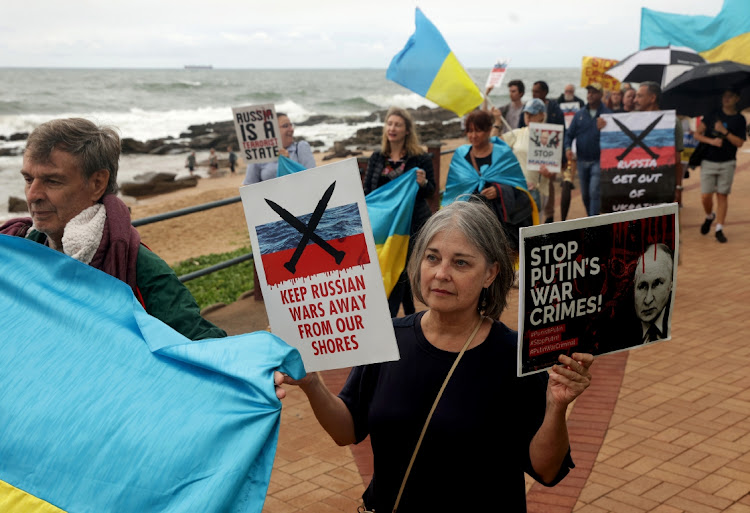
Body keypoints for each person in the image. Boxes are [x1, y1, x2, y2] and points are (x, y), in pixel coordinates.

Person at [279, 200, 593, 512]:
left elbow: (546, 470)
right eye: (433, 257)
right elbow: (346, 430)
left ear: (491, 273)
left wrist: (556, 407)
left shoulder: (513, 355)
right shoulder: (388, 337)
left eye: (461, 263)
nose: (441, 273)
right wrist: (312, 384)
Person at [1, 118, 227, 342]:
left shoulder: (140, 269)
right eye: (29, 179)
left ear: (97, 183)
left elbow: (204, 346)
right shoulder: (19, 247)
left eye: (52, 181)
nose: (32, 195)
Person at [363, 106, 435, 317]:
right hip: (384, 225)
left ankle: (391, 317)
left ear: (407, 130)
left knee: (400, 267)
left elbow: (431, 191)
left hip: (411, 223)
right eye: (390, 124)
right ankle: (410, 312)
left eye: (398, 125)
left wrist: (423, 183)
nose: (392, 128)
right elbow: (369, 191)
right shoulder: (377, 157)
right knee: (395, 267)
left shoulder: (419, 158)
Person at [448, 109, 533, 252]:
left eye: (478, 131)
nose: (473, 136)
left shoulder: (503, 153)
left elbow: (518, 186)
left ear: (488, 130)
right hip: (472, 220)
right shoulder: (461, 156)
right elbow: (455, 190)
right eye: (470, 131)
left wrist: (499, 190)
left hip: (500, 223)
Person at [693, 89, 747, 243]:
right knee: (705, 196)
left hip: (728, 162)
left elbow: (739, 143)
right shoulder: (712, 114)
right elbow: (697, 134)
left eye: (730, 96)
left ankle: (719, 229)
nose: (726, 99)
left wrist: (724, 132)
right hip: (709, 161)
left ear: (737, 98)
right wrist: (712, 141)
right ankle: (710, 216)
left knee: (722, 195)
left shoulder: (739, 119)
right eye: (724, 96)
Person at [564, 82, 612, 216]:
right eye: (588, 92)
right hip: (581, 160)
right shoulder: (579, 114)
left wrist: (605, 128)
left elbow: (614, 139)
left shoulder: (607, 115)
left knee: (594, 192)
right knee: (585, 195)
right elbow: (569, 134)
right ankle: (591, 218)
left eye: (594, 92)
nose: (590, 95)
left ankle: (593, 223)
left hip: (598, 160)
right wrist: (568, 148)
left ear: (601, 95)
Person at [633, 81, 685, 205]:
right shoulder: (631, 121)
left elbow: (677, 159)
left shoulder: (672, 122)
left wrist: (678, 188)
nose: (635, 100)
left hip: (663, 184)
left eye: (640, 96)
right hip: (637, 185)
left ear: (652, 98)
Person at [501, 98, 554, 214]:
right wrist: (496, 122)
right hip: (517, 188)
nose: (528, 117)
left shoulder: (550, 135)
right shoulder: (518, 133)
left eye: (532, 113)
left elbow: (553, 168)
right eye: (526, 113)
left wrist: (549, 172)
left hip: (537, 190)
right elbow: (494, 143)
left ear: (542, 115)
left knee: (534, 227)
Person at [242, 112, 316, 185]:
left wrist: (287, 162)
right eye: (285, 126)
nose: (291, 129)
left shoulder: (301, 147)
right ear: (271, 130)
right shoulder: (259, 154)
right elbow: (250, 187)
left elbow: (313, 178)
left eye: (291, 125)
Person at [633, 243, 673, 343]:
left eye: (657, 284)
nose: (648, 300)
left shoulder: (681, 320)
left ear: (671, 285)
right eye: (642, 286)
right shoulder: (614, 332)